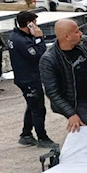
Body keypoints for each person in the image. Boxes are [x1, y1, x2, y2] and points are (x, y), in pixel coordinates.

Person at [40, 19, 87, 131]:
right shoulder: (50, 59)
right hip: (78, 104)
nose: (81, 33)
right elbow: (52, 92)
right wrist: (71, 114)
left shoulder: (85, 42)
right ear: (67, 37)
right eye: (76, 32)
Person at [8, 11, 57, 148]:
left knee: (32, 106)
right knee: (38, 109)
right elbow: (39, 55)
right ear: (29, 24)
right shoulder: (21, 40)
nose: (37, 26)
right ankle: (42, 138)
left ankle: (26, 134)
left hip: (26, 77)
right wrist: (39, 38)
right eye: (35, 23)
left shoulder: (17, 36)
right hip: (29, 79)